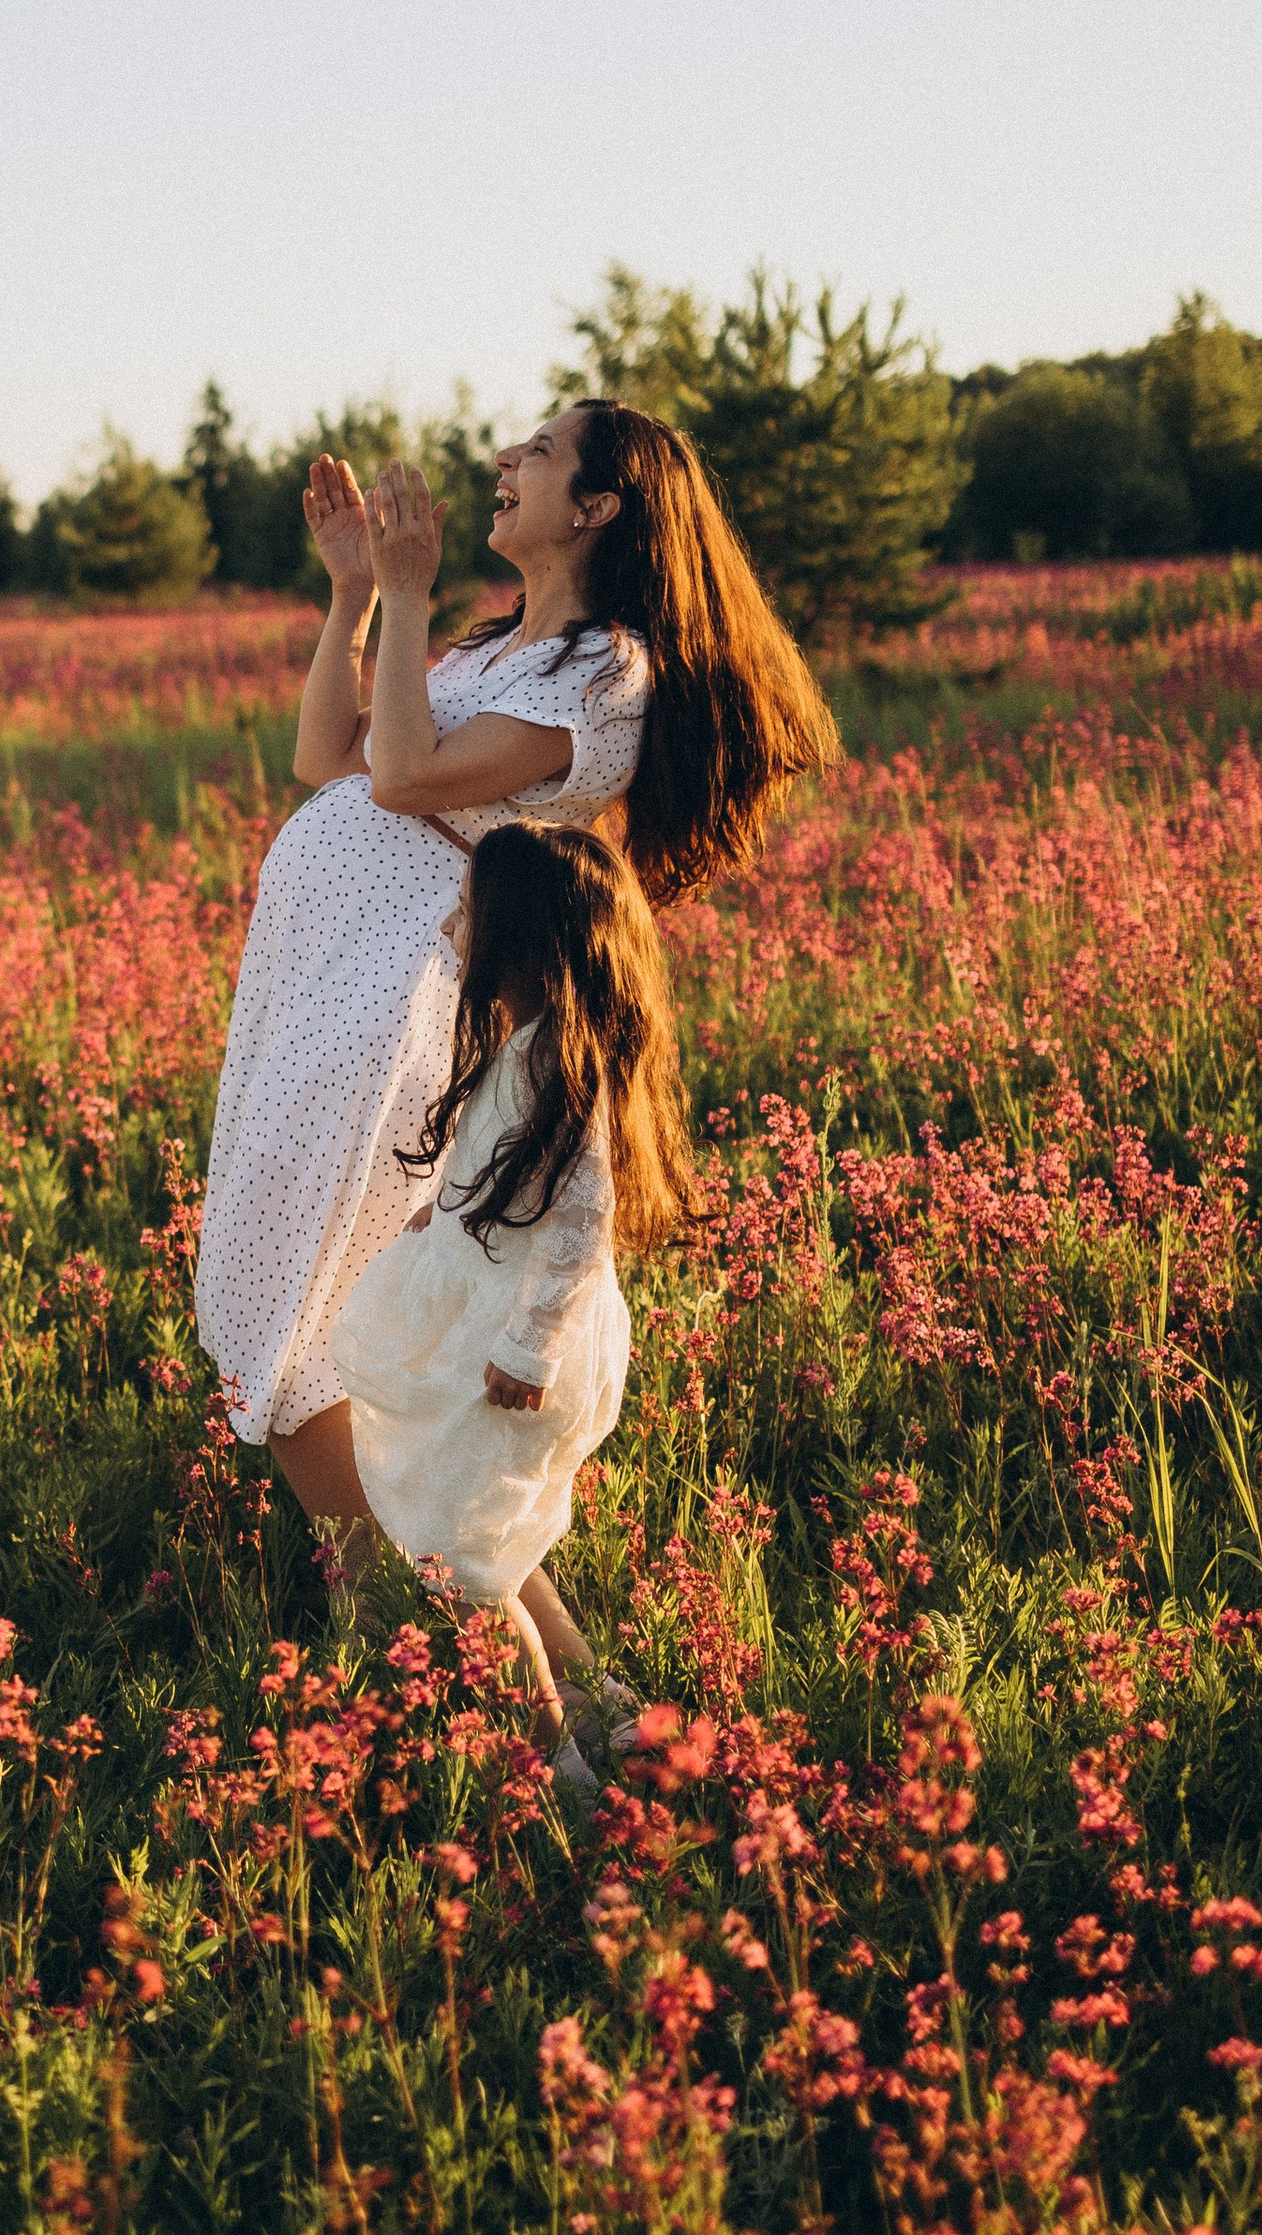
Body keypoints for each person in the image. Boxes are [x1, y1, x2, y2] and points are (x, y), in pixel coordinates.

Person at [194, 399, 830, 1546]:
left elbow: (400, 778)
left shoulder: (603, 676)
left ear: (595, 508)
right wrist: (352, 593)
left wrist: (402, 595)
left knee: (302, 1307)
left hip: (400, 1000)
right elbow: (322, 757)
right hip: (325, 984)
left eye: (539, 452)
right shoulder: (495, 648)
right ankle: (422, 1599)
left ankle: (386, 1595)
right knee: (313, 1299)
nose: (504, 458)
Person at [329, 821, 692, 1787]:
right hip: (484, 1329)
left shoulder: (556, 1070)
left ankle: (557, 1774)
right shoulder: (527, 1050)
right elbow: (490, 1174)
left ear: (520, 939)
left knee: (468, 1565)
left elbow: (580, 1230)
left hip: (514, 1355)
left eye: (470, 909)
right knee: (483, 1538)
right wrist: (432, 1224)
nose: (453, 921)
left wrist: (530, 1350)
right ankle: (601, 1706)